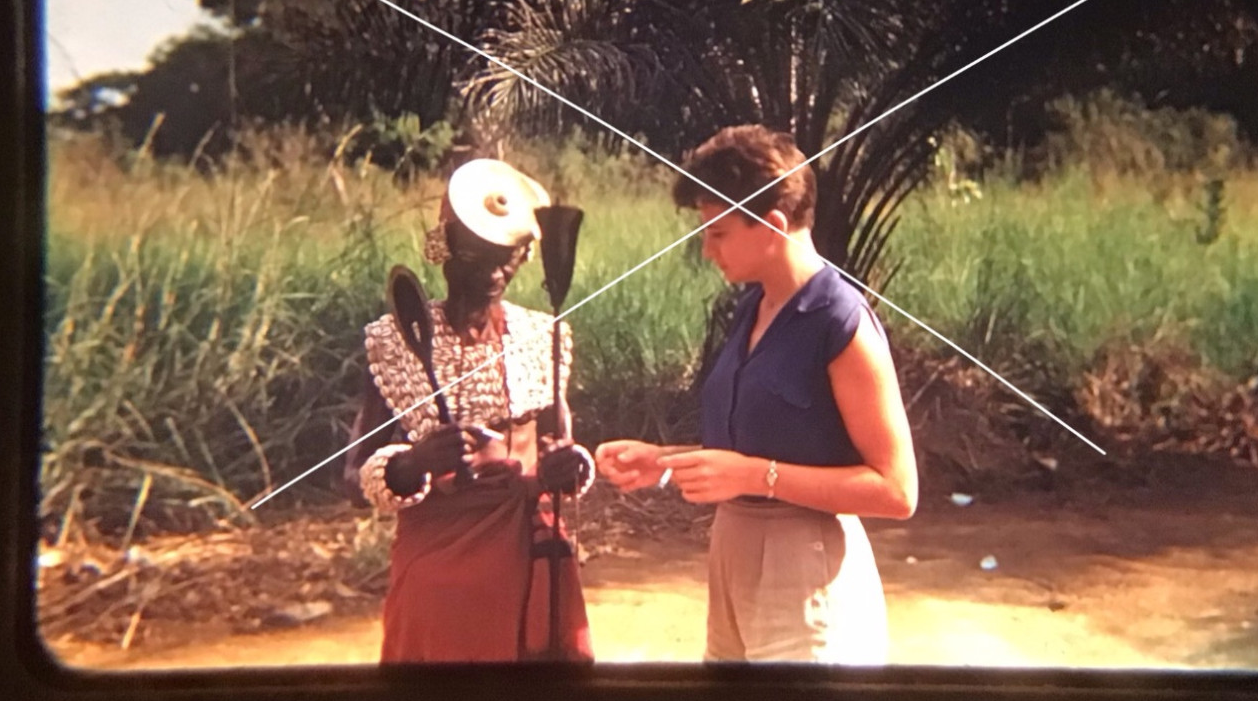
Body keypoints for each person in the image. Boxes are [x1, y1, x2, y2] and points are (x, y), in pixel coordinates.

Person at [596, 125, 918, 665]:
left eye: (718, 234)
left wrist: (754, 477)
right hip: (733, 555)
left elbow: (896, 490)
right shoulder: (755, 308)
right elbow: (756, 445)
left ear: (772, 226)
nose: (706, 250)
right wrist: (665, 461)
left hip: (807, 569)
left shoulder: (840, 322)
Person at [342, 158, 594, 663]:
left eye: (510, 257)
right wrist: (412, 463)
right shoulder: (395, 342)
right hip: (439, 561)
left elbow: (560, 448)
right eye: (478, 257)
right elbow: (351, 477)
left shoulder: (541, 335)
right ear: (444, 250)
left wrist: (570, 466)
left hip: (533, 552)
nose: (496, 273)